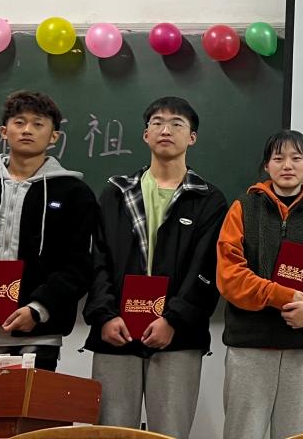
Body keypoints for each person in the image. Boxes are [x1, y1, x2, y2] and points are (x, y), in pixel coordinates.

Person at [83, 96, 227, 438]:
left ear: (192, 137)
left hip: (177, 337)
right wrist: (105, 316)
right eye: (157, 122)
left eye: (177, 124)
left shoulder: (208, 199)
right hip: (116, 333)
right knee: (112, 433)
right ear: (145, 134)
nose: (166, 130)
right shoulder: (116, 193)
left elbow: (206, 269)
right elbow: (97, 260)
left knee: (170, 432)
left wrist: (173, 320)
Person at [216, 129, 303, 439]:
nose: (287, 165)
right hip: (249, 345)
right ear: (267, 165)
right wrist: (282, 296)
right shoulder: (243, 208)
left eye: (296, 158)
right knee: (242, 433)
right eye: (278, 158)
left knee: (295, 434)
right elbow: (229, 275)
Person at [0, 90, 96, 371]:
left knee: (26, 402)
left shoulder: (74, 193)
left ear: (54, 136)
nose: (27, 130)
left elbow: (79, 264)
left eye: (38, 124)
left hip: (35, 336)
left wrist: (39, 308)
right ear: (3, 131)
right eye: (19, 122)